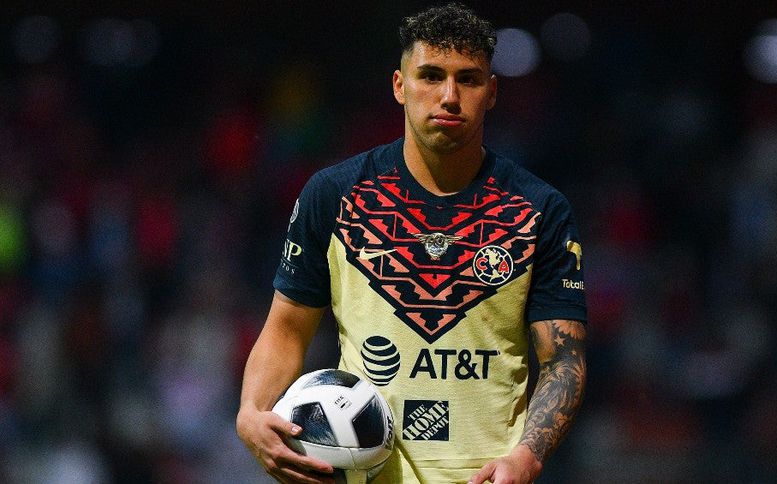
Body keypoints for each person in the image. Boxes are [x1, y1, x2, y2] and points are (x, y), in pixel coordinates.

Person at [236, 3, 587, 483]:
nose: (449, 96)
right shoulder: (335, 196)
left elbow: (563, 359)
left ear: (492, 92)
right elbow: (287, 330)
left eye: (468, 79)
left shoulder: (539, 210)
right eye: (431, 76)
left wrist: (528, 456)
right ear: (400, 86)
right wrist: (251, 412)